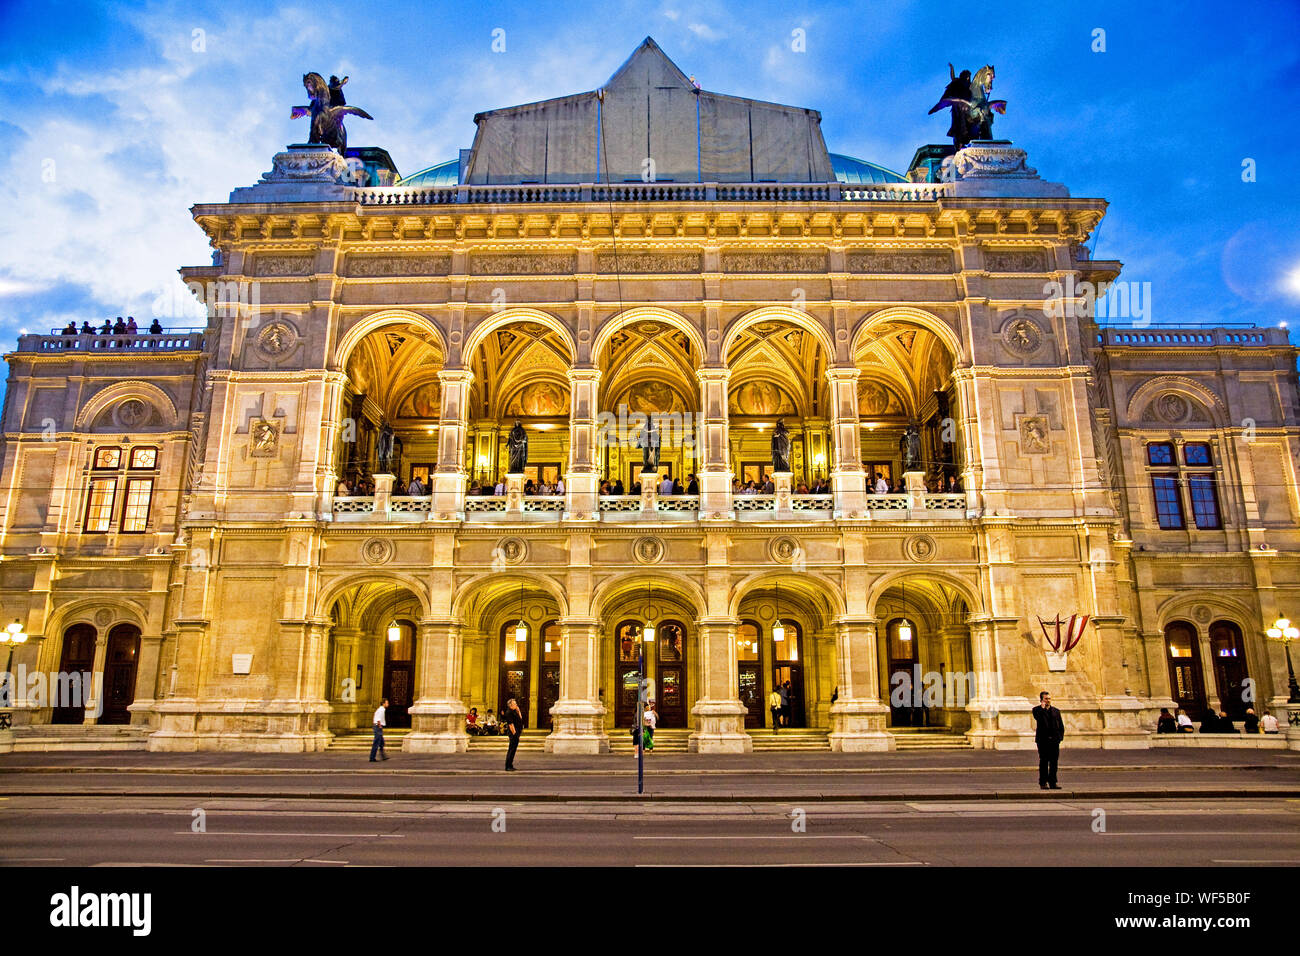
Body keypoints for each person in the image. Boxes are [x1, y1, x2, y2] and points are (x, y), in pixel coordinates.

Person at [1031, 690, 1064, 789]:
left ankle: (1053, 782)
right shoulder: (1036, 710)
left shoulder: (1056, 711)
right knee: (1044, 762)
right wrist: (1042, 708)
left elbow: (1061, 726)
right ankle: (1043, 782)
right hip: (1043, 741)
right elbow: (1038, 718)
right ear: (1041, 700)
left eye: (1049, 699)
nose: (1048, 701)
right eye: (1046, 699)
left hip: (1054, 740)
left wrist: (1059, 738)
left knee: (1054, 762)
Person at [504, 697, 523, 771]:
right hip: (513, 733)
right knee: (511, 749)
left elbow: (520, 719)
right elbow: (510, 724)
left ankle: (510, 765)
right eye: (515, 704)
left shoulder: (515, 711)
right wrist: (515, 734)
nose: (516, 705)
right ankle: (508, 765)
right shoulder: (509, 712)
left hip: (517, 732)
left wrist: (518, 711)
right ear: (510, 705)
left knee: (513, 749)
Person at [370, 697, 389, 762]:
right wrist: (379, 725)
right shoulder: (381, 709)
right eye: (387, 703)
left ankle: (383, 756)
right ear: (383, 703)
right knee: (376, 743)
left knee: (381, 742)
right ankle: (372, 758)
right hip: (378, 727)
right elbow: (378, 718)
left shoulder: (380, 709)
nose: (388, 704)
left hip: (377, 726)